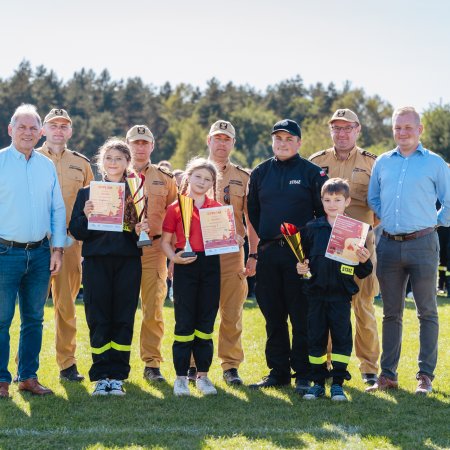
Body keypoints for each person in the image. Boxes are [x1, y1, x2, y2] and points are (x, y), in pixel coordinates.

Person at [367, 106, 450, 395]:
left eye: (407, 127)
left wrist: (433, 223)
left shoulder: (435, 163)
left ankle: (425, 376)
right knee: (391, 313)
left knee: (427, 311)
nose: (402, 132)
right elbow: (373, 198)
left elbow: (448, 201)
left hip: (424, 244)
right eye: (397, 128)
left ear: (420, 130)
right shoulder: (383, 162)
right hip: (388, 245)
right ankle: (387, 376)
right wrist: (389, 220)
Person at [247, 119, 328, 393]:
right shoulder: (259, 173)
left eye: (288, 138)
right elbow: (254, 212)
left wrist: (309, 251)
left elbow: (322, 215)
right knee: (273, 315)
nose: (282, 143)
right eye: (278, 138)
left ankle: (303, 373)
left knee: (301, 315)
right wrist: (264, 243)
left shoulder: (312, 174)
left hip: (300, 258)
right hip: (270, 254)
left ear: (299, 143)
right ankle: (278, 372)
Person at [69, 138, 147, 396]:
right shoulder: (87, 193)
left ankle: (118, 376)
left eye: (119, 159)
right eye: (109, 158)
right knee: (99, 318)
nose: (113, 163)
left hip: (127, 263)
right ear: (101, 162)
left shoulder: (136, 193)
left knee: (123, 318)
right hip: (96, 263)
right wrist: (87, 215)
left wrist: (139, 229)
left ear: (127, 164)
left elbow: (141, 237)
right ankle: (101, 376)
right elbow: (77, 231)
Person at [309, 108, 380, 386]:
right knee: (326, 303)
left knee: (362, 304)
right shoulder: (317, 162)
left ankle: (369, 368)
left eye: (347, 128)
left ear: (357, 129)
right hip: (325, 246)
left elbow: (379, 206)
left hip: (359, 244)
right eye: (336, 128)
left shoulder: (372, 163)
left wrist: (362, 233)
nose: (342, 133)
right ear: (331, 131)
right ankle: (326, 365)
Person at [0, 104, 66, 398]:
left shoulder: (46, 166)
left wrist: (58, 250)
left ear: (41, 133)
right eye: (21, 127)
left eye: (32, 128)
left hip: (40, 254)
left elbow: (57, 209)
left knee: (34, 318)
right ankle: (1, 380)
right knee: (1, 319)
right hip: (4, 253)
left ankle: (28, 377)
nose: (27, 133)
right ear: (10, 130)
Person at [187, 120, 258, 385]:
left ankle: (230, 366)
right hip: (198, 253)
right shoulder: (192, 173)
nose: (221, 143)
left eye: (227, 139)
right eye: (217, 138)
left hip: (230, 255)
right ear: (208, 141)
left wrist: (253, 254)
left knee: (231, 312)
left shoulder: (243, 177)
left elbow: (251, 220)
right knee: (196, 310)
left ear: (233, 143)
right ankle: (193, 365)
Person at [297, 178, 372, 401]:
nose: (332, 204)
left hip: (340, 296)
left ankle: (338, 383)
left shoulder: (356, 231)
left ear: (347, 201)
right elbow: (303, 261)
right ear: (321, 201)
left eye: (338, 199)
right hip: (316, 294)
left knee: (341, 338)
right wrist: (301, 268)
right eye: (327, 199)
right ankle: (318, 383)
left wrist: (364, 259)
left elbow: (364, 271)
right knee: (315, 338)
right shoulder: (312, 228)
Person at [37, 108, 94, 382]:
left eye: (64, 125)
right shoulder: (30, 158)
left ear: (70, 131)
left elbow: (91, 207)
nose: (59, 130)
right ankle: (25, 367)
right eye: (53, 125)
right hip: (34, 243)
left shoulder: (82, 164)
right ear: (43, 129)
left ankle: (67, 364)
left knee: (66, 306)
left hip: (70, 245)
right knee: (30, 307)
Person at [160, 157, 225, 396]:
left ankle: (203, 377)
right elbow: (165, 243)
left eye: (207, 179)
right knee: (185, 322)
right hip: (185, 265)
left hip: (210, 266)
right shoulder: (175, 207)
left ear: (212, 184)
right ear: (188, 177)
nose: (202, 181)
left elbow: (225, 241)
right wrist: (174, 258)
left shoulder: (217, 209)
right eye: (198, 176)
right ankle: (180, 378)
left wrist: (234, 240)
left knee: (206, 323)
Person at [125, 125, 177, 382]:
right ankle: (117, 362)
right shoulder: (116, 174)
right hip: (122, 249)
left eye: (145, 143)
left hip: (155, 249)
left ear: (152, 146)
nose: (140, 147)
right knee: (119, 307)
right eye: (135, 143)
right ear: (128, 145)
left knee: (153, 308)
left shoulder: (165, 178)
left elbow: (177, 218)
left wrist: (174, 255)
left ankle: (152, 363)